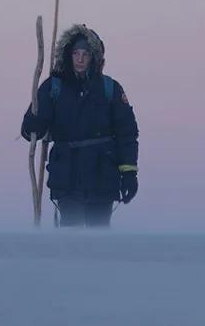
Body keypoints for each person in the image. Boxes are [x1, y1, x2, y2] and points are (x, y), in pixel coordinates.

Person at [21, 24, 139, 227]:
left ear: (94, 57)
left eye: (85, 54)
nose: (80, 59)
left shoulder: (109, 88)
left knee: (99, 236)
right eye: (76, 53)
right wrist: (33, 123)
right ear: (68, 55)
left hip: (102, 177)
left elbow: (126, 133)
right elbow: (31, 129)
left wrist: (129, 173)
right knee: (71, 237)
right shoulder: (54, 87)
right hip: (67, 178)